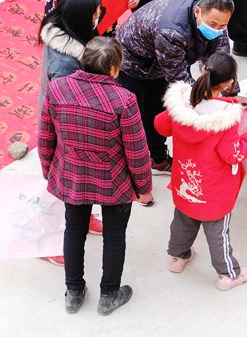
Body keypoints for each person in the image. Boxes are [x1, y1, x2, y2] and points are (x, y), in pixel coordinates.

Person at [38, 37, 153, 315]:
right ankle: (109, 295)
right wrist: (143, 187)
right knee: (115, 236)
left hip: (71, 174)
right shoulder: (124, 100)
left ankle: (74, 292)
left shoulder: (57, 89)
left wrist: (50, 171)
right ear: (115, 69)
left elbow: (45, 137)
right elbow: (136, 150)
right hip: (113, 180)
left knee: (74, 230)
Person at [154, 52, 247, 291]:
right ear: (227, 84)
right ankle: (228, 274)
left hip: (185, 180)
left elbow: (161, 125)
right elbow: (233, 154)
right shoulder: (224, 121)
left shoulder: (181, 104)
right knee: (218, 233)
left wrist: (233, 101)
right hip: (214, 189)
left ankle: (178, 256)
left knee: (183, 221)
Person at [116, 0, 247, 173]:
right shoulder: (172, 31)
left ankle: (158, 157)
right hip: (133, 59)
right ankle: (132, 168)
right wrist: (216, 105)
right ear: (198, 11)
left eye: (222, 26)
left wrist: (232, 95)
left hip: (164, 58)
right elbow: (180, 80)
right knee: (133, 117)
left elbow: (222, 64)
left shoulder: (216, 21)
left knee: (156, 108)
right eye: (213, 24)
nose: (217, 29)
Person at [37, 0, 105, 256]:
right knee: (62, 184)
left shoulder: (59, 29)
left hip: (61, 113)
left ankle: (84, 219)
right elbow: (64, 106)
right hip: (61, 126)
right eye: (96, 14)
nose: (99, 17)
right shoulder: (65, 63)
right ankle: (53, 243)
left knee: (77, 183)